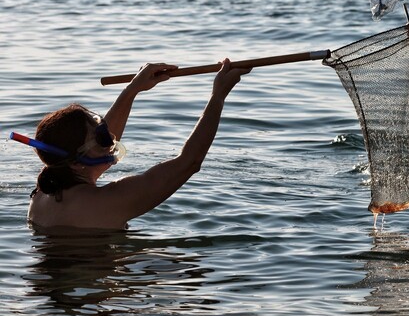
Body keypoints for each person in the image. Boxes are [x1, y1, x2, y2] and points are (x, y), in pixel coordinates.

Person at [19, 60, 250, 230]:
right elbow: (188, 163)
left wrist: (133, 89)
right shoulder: (106, 202)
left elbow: (103, 140)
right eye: (102, 137)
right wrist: (219, 95)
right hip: (89, 291)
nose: (110, 139)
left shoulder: (43, 194)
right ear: (78, 160)